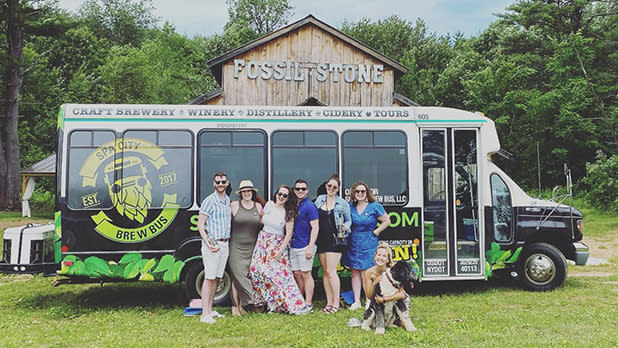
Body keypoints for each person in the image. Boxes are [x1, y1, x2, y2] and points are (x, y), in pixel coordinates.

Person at [248, 185, 312, 315]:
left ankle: (296, 305)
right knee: (255, 270)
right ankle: (271, 303)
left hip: (277, 244)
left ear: (288, 198)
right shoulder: (269, 205)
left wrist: (279, 252)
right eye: (280, 194)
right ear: (276, 194)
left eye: (285, 195)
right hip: (262, 242)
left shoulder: (288, 212)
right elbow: (261, 220)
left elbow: (288, 234)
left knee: (279, 277)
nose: (281, 197)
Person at [342, 181, 390, 310]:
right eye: (357, 191)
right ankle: (357, 301)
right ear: (353, 193)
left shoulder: (374, 206)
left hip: (369, 242)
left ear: (367, 193)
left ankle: (369, 299)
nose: (360, 194)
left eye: (362, 191)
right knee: (355, 272)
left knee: (366, 273)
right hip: (353, 242)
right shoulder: (349, 207)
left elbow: (386, 221)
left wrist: (377, 231)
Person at [197, 171, 232, 324]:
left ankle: (210, 310)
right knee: (209, 277)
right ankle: (205, 314)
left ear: (227, 183)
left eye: (223, 182)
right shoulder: (209, 201)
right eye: (217, 182)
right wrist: (209, 243)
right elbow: (200, 225)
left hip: (225, 243)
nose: (220, 185)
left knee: (217, 277)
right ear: (213, 183)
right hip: (213, 244)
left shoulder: (227, 200)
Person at [313, 174, 351, 313]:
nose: (331, 188)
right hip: (321, 240)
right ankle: (328, 303)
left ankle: (336, 304)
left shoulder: (342, 203)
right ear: (326, 186)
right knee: (325, 273)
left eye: (335, 187)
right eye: (329, 186)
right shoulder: (319, 200)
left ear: (338, 189)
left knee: (331, 271)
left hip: (335, 240)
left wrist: (346, 227)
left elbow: (348, 220)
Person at [362, 243, 415, 333]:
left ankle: (393, 322)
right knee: (374, 308)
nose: (381, 258)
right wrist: (375, 283)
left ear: (387, 259)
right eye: (379, 255)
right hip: (375, 300)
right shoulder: (369, 272)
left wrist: (383, 299)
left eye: (384, 256)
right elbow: (369, 296)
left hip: (394, 298)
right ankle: (369, 325)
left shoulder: (394, 270)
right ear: (375, 256)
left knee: (400, 314)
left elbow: (400, 295)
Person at [228, 180, 264, 316]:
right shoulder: (234, 205)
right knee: (237, 276)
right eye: (244, 191)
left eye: (249, 191)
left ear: (252, 192)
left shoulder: (258, 207)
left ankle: (244, 306)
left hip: (253, 247)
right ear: (240, 193)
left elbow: (266, 222)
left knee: (249, 277)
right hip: (236, 247)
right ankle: (236, 306)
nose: (247, 193)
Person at [290, 179, 319, 311]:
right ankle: (299, 300)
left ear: (307, 190)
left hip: (305, 246)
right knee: (296, 273)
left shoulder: (310, 206)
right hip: (293, 246)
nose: (300, 191)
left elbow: (315, 227)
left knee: (306, 274)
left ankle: (308, 303)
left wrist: (310, 247)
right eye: (297, 189)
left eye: (303, 189)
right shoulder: (293, 205)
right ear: (294, 190)